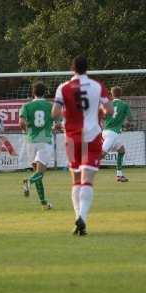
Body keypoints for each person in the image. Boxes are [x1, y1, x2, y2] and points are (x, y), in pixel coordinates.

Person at [52, 55, 113, 236]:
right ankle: (83, 218)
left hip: (72, 139)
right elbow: (109, 110)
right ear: (87, 69)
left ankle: (78, 216)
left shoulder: (63, 88)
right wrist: (100, 111)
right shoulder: (97, 86)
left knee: (76, 180)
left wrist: (65, 112)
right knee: (87, 180)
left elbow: (54, 114)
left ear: (72, 69)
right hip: (92, 137)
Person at [20, 82, 53, 210]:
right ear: (45, 92)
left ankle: (44, 203)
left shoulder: (26, 106)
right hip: (44, 140)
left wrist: (26, 131)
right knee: (40, 173)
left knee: (38, 173)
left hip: (31, 141)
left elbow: (21, 123)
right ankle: (28, 182)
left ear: (33, 93)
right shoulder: (50, 105)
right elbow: (58, 119)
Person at [102, 86, 131, 182]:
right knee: (102, 154)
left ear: (111, 94)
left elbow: (103, 116)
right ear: (121, 94)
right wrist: (125, 124)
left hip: (106, 131)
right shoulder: (124, 105)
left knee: (121, 150)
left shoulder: (108, 104)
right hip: (113, 133)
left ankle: (119, 175)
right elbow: (130, 119)